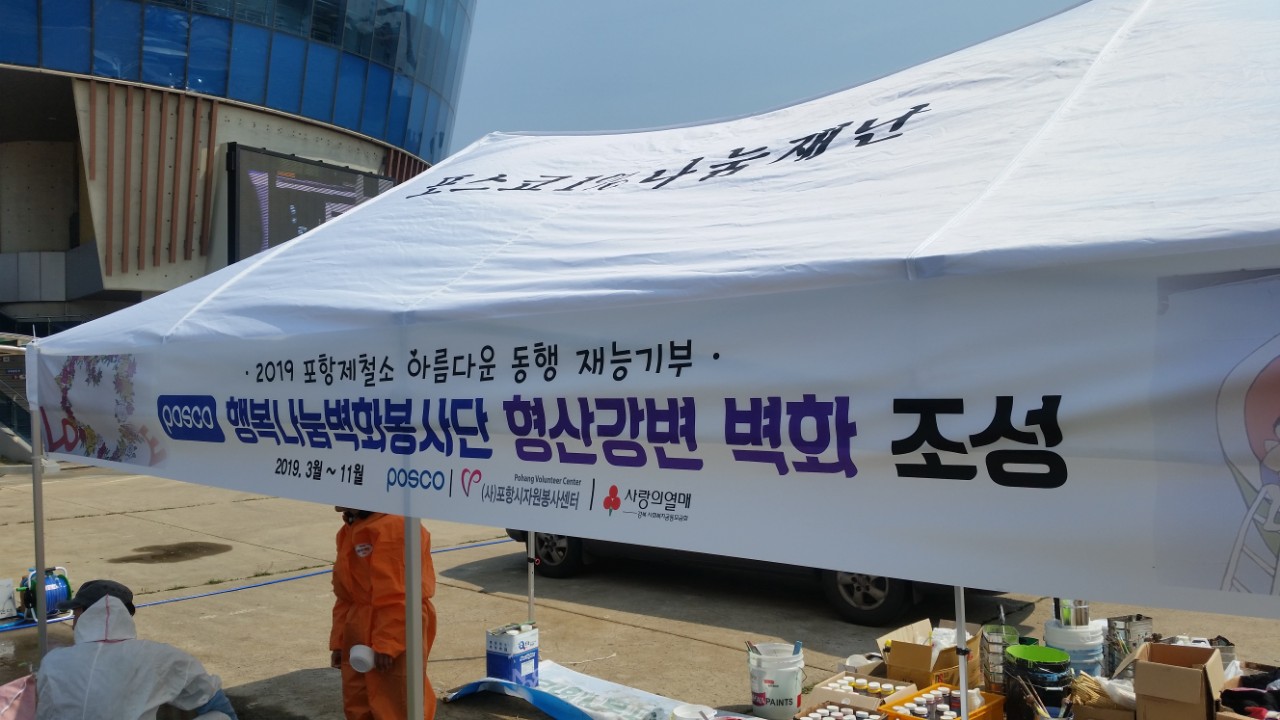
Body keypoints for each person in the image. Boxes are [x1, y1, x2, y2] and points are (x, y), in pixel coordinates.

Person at [35, 579, 239, 720]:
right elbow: (210, 697)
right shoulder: (158, 657)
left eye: (75, 613)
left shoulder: (53, 662)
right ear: (126, 616)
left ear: (85, 614)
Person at [330, 507, 438, 720]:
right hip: (358, 625)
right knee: (357, 699)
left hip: (398, 626)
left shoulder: (395, 528)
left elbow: (400, 593)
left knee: (397, 702)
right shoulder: (351, 528)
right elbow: (344, 596)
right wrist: (339, 642)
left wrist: (389, 643)